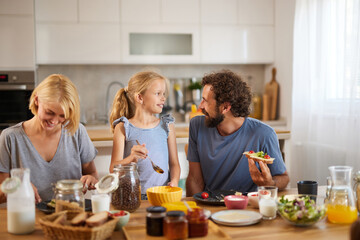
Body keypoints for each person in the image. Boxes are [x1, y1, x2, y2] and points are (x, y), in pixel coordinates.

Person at [186, 70, 289, 196]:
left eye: (205, 101)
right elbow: (195, 180)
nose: (200, 107)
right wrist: (194, 211)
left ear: (225, 107)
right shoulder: (197, 126)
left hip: (247, 206)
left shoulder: (264, 134)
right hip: (210, 203)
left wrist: (270, 183)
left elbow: (283, 178)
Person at [0, 74, 99, 203]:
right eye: (49, 112)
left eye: (62, 116)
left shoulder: (77, 132)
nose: (54, 121)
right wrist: (18, 187)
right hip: (27, 215)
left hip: (70, 213)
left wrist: (90, 179)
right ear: (36, 100)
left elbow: (92, 173)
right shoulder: (10, 138)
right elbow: (1, 192)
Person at [109, 71, 180, 198]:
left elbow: (174, 164)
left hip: (162, 194)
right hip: (132, 196)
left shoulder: (167, 126)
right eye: (158, 93)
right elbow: (113, 169)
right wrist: (131, 158)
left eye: (163, 94)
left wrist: (174, 181)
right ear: (140, 97)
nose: (163, 98)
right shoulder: (123, 127)